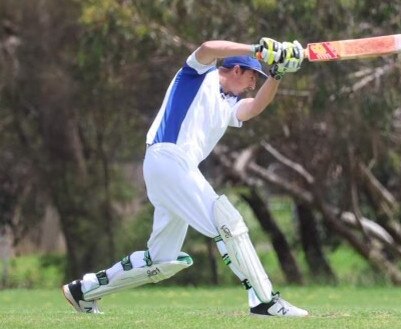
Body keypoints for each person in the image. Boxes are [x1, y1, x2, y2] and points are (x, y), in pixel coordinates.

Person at [62, 37, 308, 317]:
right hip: (168, 158)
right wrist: (257, 50)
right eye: (253, 76)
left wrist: (277, 75)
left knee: (161, 260)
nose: (253, 84)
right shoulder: (196, 76)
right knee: (228, 222)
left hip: (173, 169)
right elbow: (206, 48)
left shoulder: (227, 104)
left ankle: (85, 290)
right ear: (237, 69)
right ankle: (265, 301)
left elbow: (253, 108)